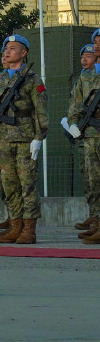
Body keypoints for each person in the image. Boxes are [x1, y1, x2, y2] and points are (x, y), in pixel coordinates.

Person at [0, 34, 48, 245]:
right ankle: (15, 226)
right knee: (9, 184)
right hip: (4, 138)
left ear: (23, 52)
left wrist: (39, 137)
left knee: (27, 184)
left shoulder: (33, 79)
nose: (7, 51)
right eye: (6, 48)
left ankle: (29, 229)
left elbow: (41, 110)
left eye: (12, 48)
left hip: (25, 138)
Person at [68, 46, 100, 244]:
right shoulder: (84, 77)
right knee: (93, 181)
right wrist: (72, 122)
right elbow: (76, 103)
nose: (84, 59)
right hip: (90, 134)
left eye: (89, 55)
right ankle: (96, 222)